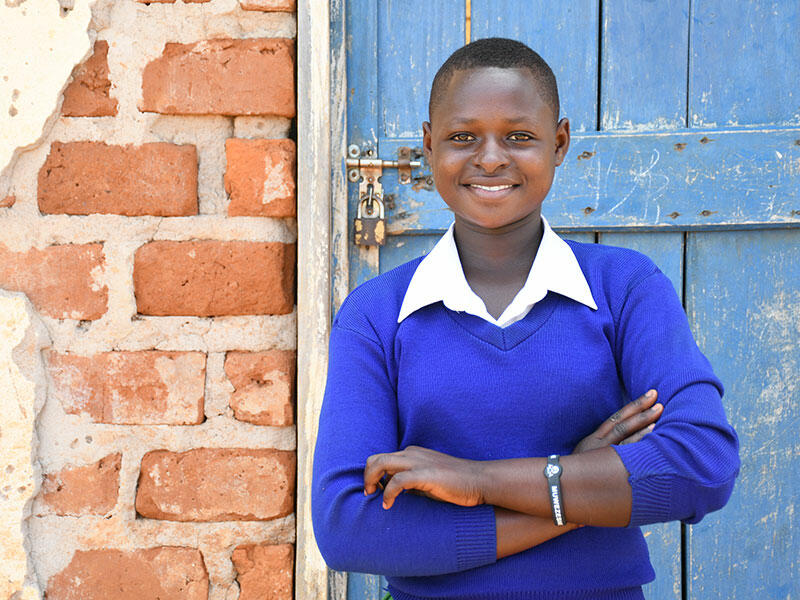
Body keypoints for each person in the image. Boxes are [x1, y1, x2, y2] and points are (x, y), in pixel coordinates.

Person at [312, 38, 739, 600]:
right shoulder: (376, 317)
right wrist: (574, 488)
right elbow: (349, 528)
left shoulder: (625, 288)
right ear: (427, 143)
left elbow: (702, 465)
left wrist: (478, 480)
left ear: (559, 142)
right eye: (463, 137)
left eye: (519, 136)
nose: (490, 158)